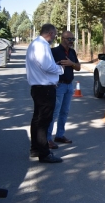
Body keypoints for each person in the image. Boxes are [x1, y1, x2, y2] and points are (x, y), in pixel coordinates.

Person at [26, 24, 64, 163]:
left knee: (37, 120)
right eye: (54, 34)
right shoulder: (42, 45)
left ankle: (35, 148)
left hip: (38, 87)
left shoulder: (34, 44)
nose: (55, 36)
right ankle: (44, 153)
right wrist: (60, 68)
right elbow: (47, 66)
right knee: (43, 122)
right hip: (45, 89)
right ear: (49, 33)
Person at [47, 31, 80, 149]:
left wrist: (71, 63)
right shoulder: (54, 51)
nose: (71, 41)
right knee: (54, 112)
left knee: (65, 112)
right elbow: (48, 68)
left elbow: (79, 67)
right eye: (68, 39)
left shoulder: (72, 52)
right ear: (62, 39)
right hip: (58, 86)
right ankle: (48, 138)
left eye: (73, 39)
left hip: (69, 85)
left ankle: (60, 135)